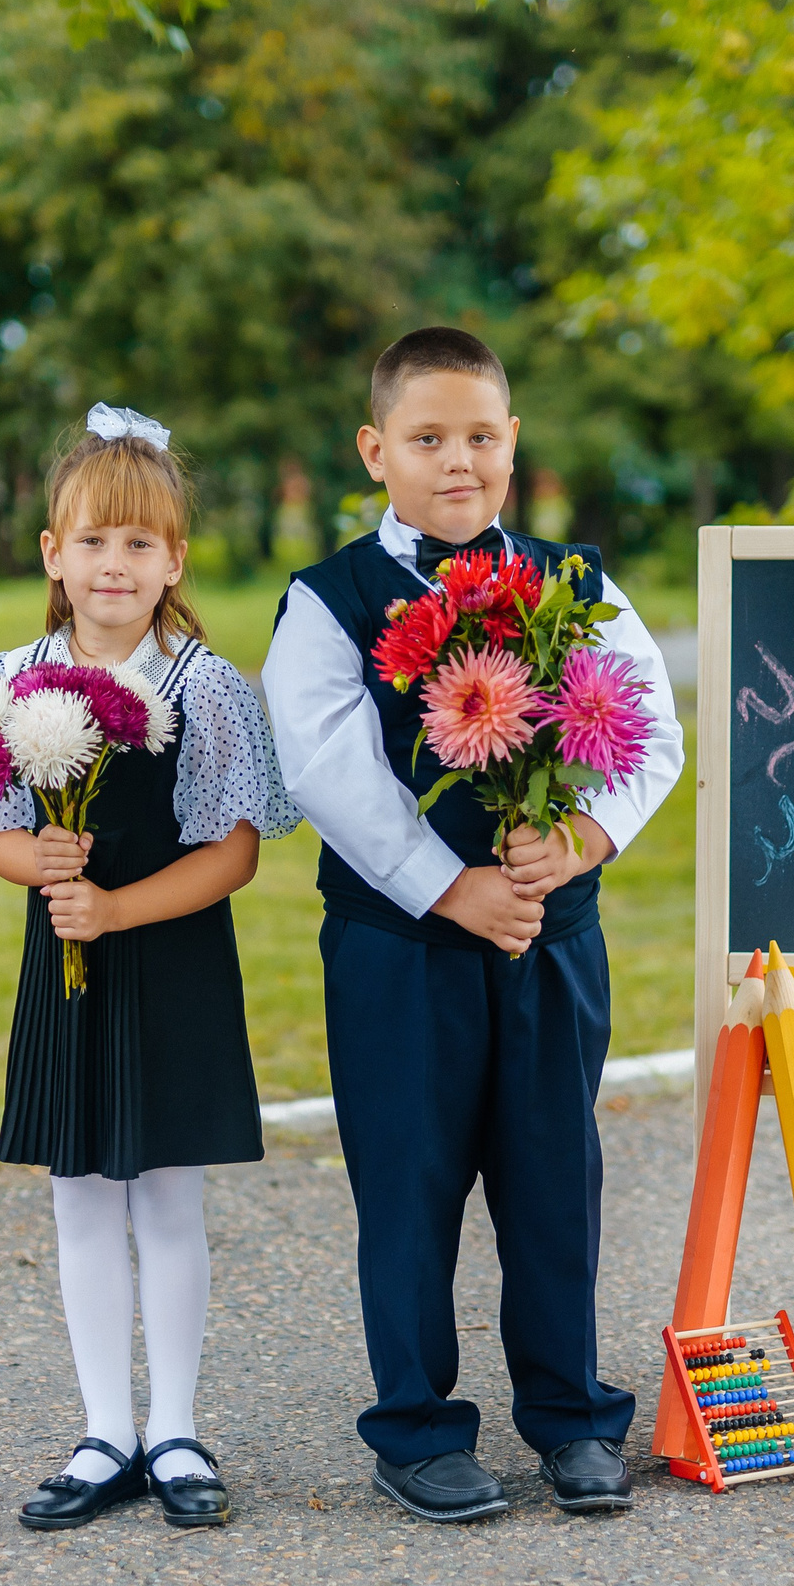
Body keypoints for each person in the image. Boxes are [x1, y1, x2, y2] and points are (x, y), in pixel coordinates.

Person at [261, 327, 685, 1521]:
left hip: (551, 938)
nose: (459, 460)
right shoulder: (331, 600)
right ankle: (416, 1426)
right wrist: (453, 889)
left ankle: (569, 1415)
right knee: (410, 1186)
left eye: (481, 437)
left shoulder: (575, 585)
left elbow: (648, 726)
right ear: (375, 449)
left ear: (513, 444)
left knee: (555, 1177)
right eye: (428, 438)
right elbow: (327, 767)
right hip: (405, 953)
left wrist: (581, 840)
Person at [0, 404, 299, 1531]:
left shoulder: (205, 686)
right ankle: (105, 1427)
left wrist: (114, 905)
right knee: (82, 1201)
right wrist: (34, 863)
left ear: (174, 561)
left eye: (140, 544)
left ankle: (177, 1427)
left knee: (169, 1203)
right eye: (94, 540)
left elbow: (233, 852)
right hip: (67, 977)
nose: (115, 563)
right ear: (54, 553)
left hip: (173, 965)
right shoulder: (15, 678)